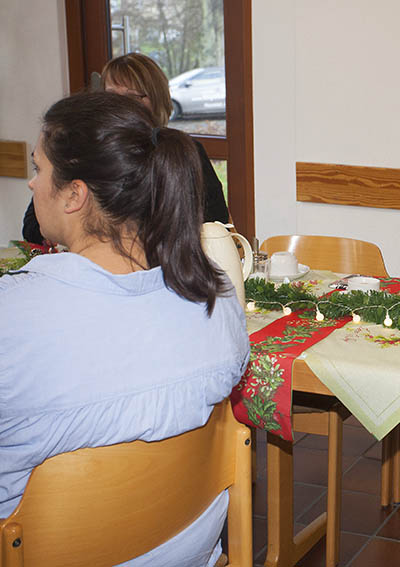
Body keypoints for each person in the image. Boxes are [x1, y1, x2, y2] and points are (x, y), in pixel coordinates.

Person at [0, 92, 249, 566]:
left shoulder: (13, 318)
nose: (32, 183)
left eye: (39, 169)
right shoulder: (215, 298)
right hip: (186, 552)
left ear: (75, 194)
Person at [21, 52, 229, 244]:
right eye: (111, 95)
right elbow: (33, 227)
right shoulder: (85, 152)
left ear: (157, 100)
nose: (119, 104)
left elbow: (215, 224)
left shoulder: (184, 152)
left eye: (132, 97)